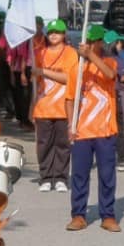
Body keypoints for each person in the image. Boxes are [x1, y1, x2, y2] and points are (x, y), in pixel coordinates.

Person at [67, 26, 122, 231]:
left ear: (100, 43)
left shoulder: (109, 62)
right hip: (81, 131)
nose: (89, 45)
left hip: (105, 130)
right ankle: (78, 215)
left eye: (93, 42)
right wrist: (70, 125)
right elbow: (70, 99)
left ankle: (108, 215)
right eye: (86, 42)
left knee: (107, 174)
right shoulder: (76, 69)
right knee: (79, 175)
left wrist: (91, 55)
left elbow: (109, 75)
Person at [31, 19, 77, 191]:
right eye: (50, 32)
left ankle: (60, 177)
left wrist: (44, 72)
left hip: (63, 107)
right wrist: (31, 106)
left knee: (62, 144)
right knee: (44, 145)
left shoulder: (71, 53)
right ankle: (46, 176)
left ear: (64, 34)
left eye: (57, 32)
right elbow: (35, 84)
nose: (54, 35)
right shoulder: (39, 53)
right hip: (43, 107)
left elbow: (69, 79)